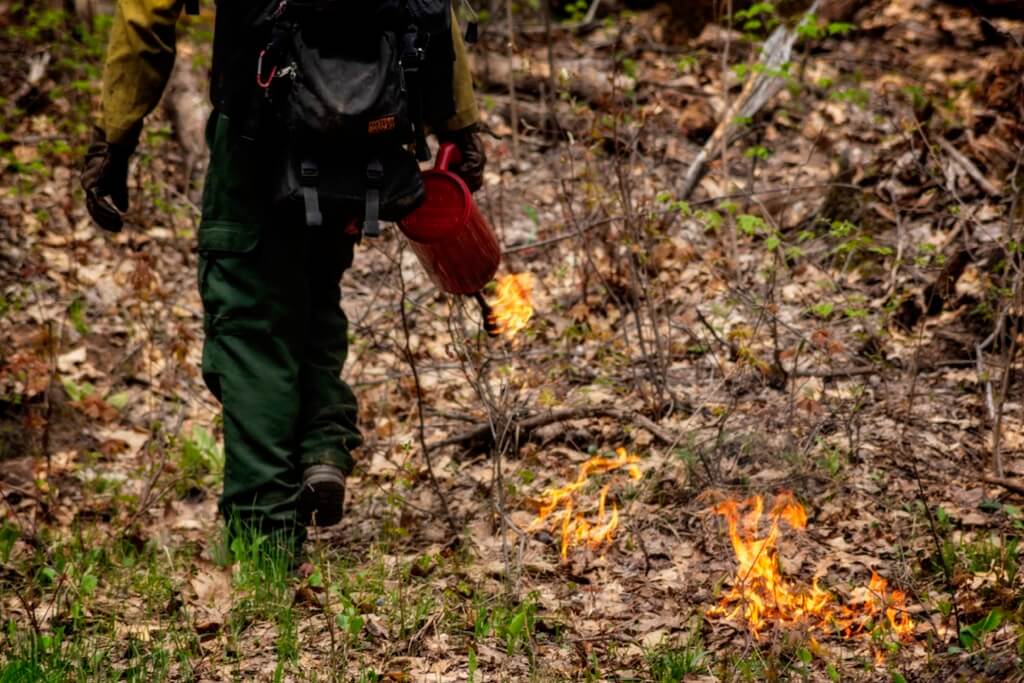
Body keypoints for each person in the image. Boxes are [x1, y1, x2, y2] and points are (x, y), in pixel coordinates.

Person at [81, 0, 486, 557]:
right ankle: (322, 444)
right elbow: (435, 8)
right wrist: (460, 126)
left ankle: (261, 539)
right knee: (316, 288)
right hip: (369, 123)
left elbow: (147, 14)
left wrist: (115, 136)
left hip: (258, 129)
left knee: (249, 320)